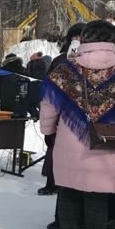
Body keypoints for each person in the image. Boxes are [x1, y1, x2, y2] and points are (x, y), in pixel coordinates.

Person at [40, 20, 115, 229]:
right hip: (108, 141)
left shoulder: (66, 69)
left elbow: (49, 104)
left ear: (84, 39)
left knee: (68, 190)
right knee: (98, 194)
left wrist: (47, 130)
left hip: (70, 138)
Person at [42, 24, 87, 203]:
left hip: (86, 119)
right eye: (74, 36)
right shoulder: (60, 60)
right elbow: (49, 90)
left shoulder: (94, 61)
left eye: (80, 36)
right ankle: (53, 185)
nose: (76, 40)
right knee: (57, 156)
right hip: (62, 116)